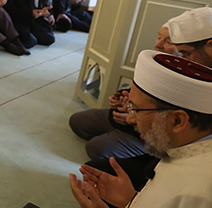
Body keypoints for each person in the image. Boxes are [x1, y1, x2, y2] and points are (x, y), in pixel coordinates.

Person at [10, 49, 212, 208]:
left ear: (177, 121)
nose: (132, 119)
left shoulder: (200, 195)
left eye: (136, 109)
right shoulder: (185, 149)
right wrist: (130, 201)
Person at [69, 19, 183, 162]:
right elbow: (137, 91)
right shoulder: (156, 61)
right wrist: (121, 99)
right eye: (159, 37)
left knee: (96, 149)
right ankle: (115, 137)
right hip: (126, 117)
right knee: (77, 121)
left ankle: (145, 153)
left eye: (169, 42)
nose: (157, 44)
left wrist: (135, 118)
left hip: (146, 132)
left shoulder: (188, 81)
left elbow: (172, 122)